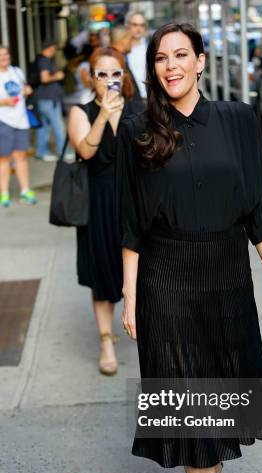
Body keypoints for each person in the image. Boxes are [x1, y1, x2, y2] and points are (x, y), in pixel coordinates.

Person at [117, 23, 262, 473]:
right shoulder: (138, 128)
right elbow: (129, 219)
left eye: (180, 55)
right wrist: (130, 292)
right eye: (160, 58)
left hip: (226, 280)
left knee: (219, 401)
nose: (170, 66)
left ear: (200, 61)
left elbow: (258, 206)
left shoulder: (238, 121)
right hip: (167, 281)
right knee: (193, 408)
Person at [67, 47, 140, 376]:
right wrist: (102, 115)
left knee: (146, 272)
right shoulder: (80, 112)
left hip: (136, 201)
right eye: (102, 74)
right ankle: (106, 342)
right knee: (103, 275)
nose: (110, 81)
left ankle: (149, 333)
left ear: (124, 76)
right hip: (99, 203)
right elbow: (85, 150)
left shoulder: (140, 109)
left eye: (116, 73)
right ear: (91, 78)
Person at [0, 46, 37, 207]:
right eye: (0, 55)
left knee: (21, 157)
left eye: (5, 54)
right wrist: (4, 102)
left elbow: (25, 88)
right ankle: (4, 194)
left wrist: (27, 90)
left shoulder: (17, 71)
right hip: (4, 122)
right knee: (4, 159)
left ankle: (25, 190)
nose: (3, 57)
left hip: (21, 121)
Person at [35, 40, 66, 162]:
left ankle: (41, 152)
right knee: (58, 126)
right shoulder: (45, 60)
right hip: (49, 99)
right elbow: (45, 78)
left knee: (43, 128)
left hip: (44, 98)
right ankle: (62, 151)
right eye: (53, 48)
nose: (54, 51)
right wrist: (57, 76)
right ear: (50, 48)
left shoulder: (40, 60)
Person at [110, 24, 143, 104]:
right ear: (123, 40)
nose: (132, 42)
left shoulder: (118, 58)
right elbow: (113, 94)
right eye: (131, 39)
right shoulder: (112, 61)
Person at [127, 11, 148, 100]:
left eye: (142, 25)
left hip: (151, 98)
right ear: (128, 26)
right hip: (131, 99)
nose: (138, 28)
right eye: (135, 25)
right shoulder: (123, 49)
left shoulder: (151, 47)